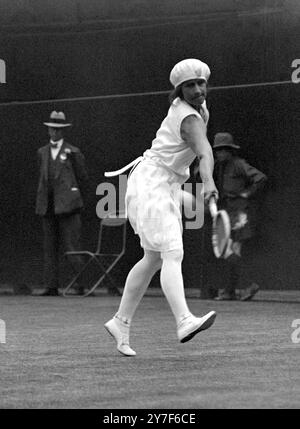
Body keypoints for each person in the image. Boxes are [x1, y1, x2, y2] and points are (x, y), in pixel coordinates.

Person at [104, 58, 218, 356]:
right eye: (189, 86)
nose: (197, 89)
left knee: (154, 257)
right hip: (151, 183)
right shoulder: (189, 118)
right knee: (172, 251)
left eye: (200, 83)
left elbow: (188, 158)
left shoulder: (200, 110)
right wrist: (209, 186)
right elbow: (204, 153)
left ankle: (120, 322)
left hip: (162, 184)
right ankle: (183, 321)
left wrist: (186, 192)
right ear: (179, 91)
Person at [35, 111, 89, 296]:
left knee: (72, 246)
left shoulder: (73, 152)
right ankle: (51, 286)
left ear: (63, 131)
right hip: (48, 205)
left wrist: (74, 195)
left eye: (58, 129)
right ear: (48, 130)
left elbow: (82, 177)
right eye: (52, 129)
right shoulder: (42, 152)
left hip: (69, 205)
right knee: (49, 247)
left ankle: (80, 285)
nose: (55, 132)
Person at [211, 132, 267, 301]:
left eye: (223, 150)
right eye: (218, 150)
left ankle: (248, 285)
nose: (220, 154)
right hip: (229, 212)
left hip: (241, 212)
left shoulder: (238, 164)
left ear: (230, 151)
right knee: (229, 251)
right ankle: (231, 290)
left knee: (233, 250)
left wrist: (247, 193)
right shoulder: (220, 167)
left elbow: (260, 178)